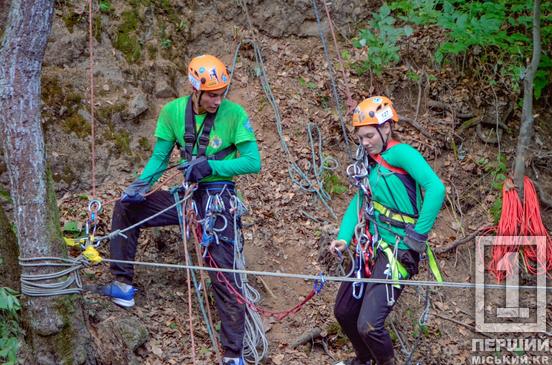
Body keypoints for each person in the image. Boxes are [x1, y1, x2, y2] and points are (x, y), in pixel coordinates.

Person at [100, 54, 261, 365]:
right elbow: (160, 159)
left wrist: (211, 166)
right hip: (186, 195)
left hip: (217, 198)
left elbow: (253, 162)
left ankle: (233, 355)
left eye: (221, 93)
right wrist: (139, 186)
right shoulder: (173, 112)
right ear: (195, 90)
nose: (218, 100)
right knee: (127, 209)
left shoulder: (234, 114)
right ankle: (123, 285)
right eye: (212, 94)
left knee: (223, 272)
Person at [329, 96, 445, 365]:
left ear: (386, 128)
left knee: (369, 324)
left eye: (369, 135)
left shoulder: (401, 154)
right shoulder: (369, 160)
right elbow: (360, 199)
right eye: (360, 138)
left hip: (400, 249)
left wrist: (419, 234)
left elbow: (436, 188)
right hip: (372, 245)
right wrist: (344, 238)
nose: (364, 142)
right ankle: (364, 360)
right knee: (345, 312)